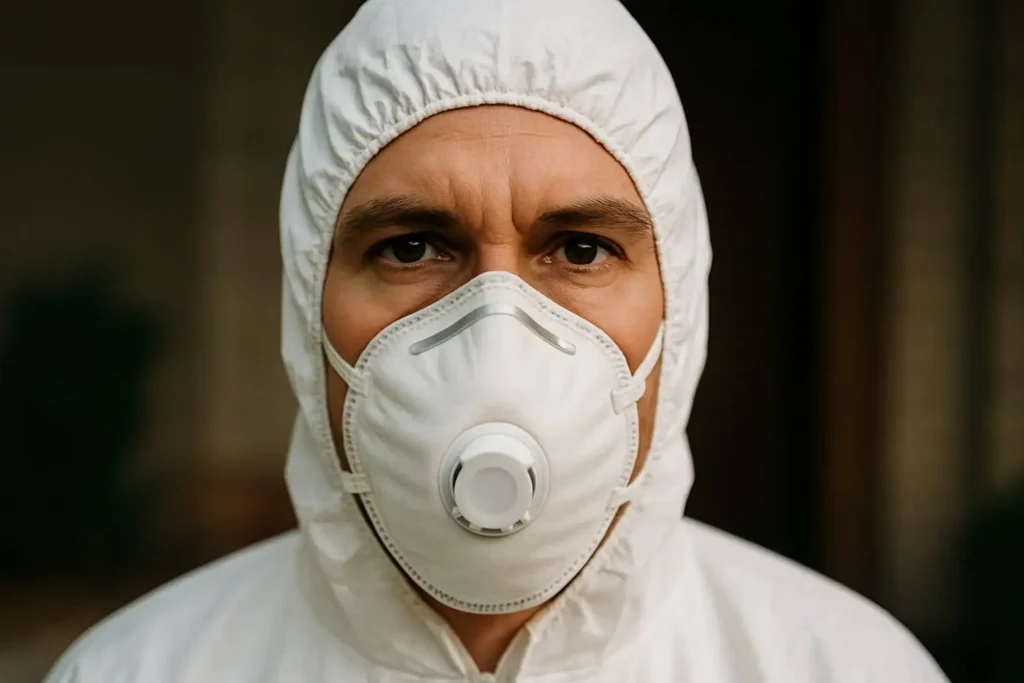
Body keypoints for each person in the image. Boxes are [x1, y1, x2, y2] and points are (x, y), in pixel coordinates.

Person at [45, 0, 951, 681]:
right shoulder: (137, 667)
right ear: (306, 303)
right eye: (410, 246)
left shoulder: (844, 665)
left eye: (581, 248)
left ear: (679, 304)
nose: (497, 337)